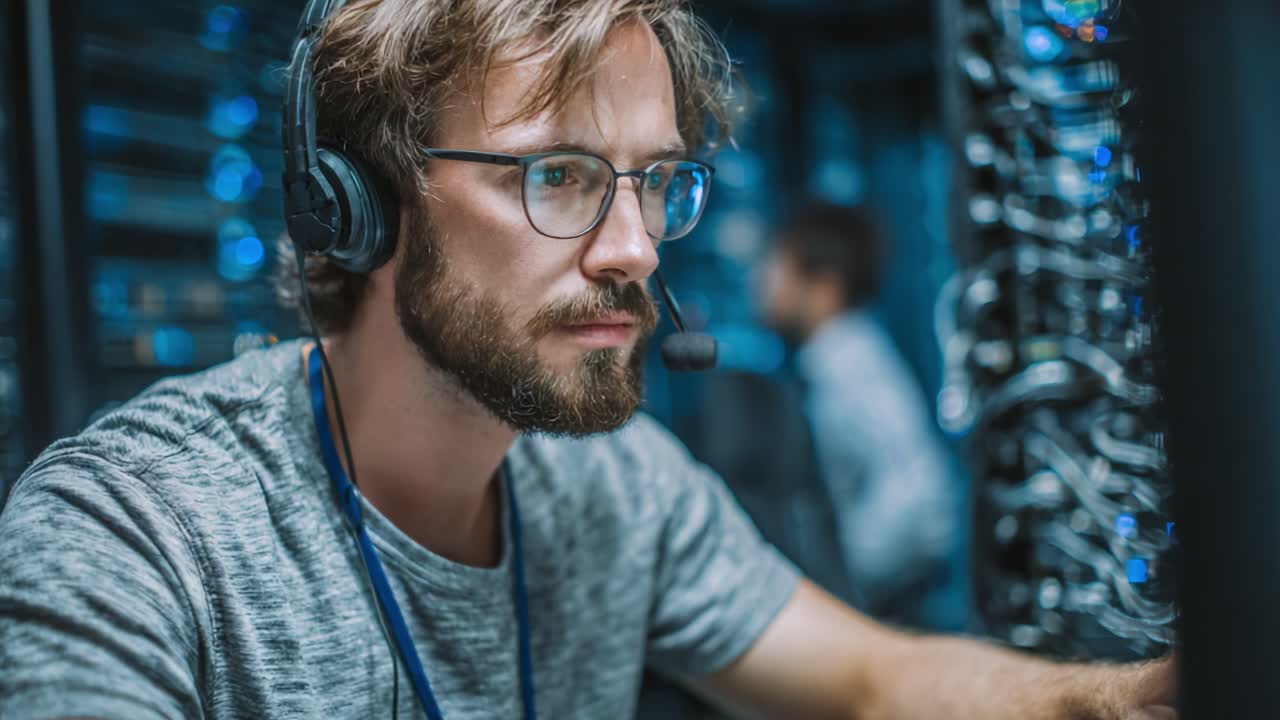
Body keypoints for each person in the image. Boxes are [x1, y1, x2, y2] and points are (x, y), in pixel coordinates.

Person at [0, 1, 1175, 718]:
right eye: (553, 175)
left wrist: (1107, 698)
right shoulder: (134, 532)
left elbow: (873, 683)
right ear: (352, 204)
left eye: (656, 182)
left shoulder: (615, 487)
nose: (633, 250)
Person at [758, 200, 958, 626]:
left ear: (826, 285)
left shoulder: (851, 364)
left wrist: (840, 587)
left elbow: (921, 498)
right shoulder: (828, 360)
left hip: (887, 612)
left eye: (776, 265)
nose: (762, 281)